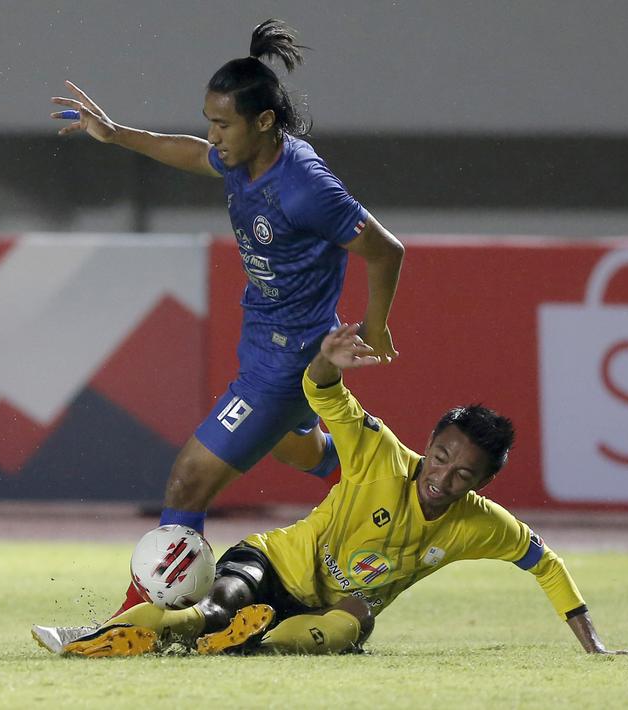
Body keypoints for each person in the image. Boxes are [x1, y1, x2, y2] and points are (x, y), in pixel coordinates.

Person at [50, 19, 405, 616]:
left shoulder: (305, 187)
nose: (211, 136)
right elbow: (190, 153)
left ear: (264, 122)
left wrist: (376, 324)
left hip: (288, 363)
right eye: (209, 121)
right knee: (295, 451)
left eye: (222, 124)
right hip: (264, 341)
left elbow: (385, 249)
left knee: (188, 480)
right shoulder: (241, 159)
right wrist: (114, 134)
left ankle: (138, 620)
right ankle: (372, 489)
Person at [32, 324, 628, 657]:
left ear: (483, 483)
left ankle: (246, 644)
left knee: (354, 621)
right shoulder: (379, 454)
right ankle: (88, 636)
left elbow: (546, 565)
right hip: (270, 563)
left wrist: (593, 643)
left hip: (319, 611)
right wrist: (326, 362)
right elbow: (326, 397)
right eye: (441, 456)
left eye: (463, 474)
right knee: (214, 607)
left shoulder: (480, 525)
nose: (442, 476)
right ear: (429, 443)